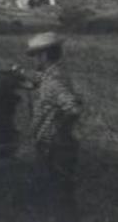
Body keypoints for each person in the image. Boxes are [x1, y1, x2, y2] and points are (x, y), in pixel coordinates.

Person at [25, 32, 82, 222]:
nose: (33, 60)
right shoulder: (53, 74)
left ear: (44, 55)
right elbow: (38, 79)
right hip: (54, 144)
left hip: (54, 146)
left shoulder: (53, 81)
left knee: (58, 193)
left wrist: (58, 132)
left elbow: (73, 108)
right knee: (57, 191)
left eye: (34, 56)